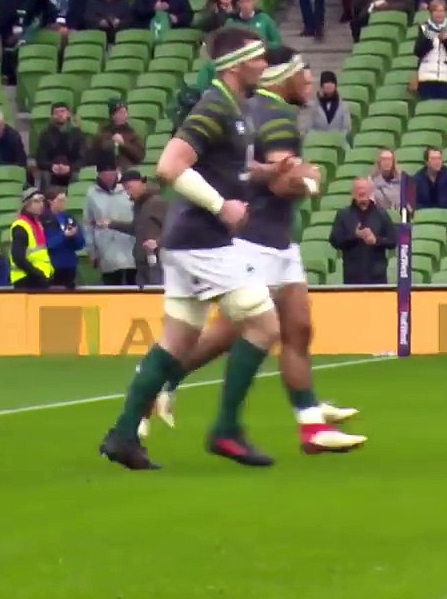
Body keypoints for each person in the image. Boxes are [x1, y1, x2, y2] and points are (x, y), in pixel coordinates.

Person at [145, 47, 365, 454]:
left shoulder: (257, 109)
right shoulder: (278, 115)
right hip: (257, 241)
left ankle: (311, 422)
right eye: (305, 73)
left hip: (277, 240)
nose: (310, 81)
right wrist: (311, 180)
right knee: (236, 334)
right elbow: (282, 183)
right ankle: (159, 384)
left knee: (296, 329)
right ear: (286, 76)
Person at [99, 27, 282, 471]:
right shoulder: (215, 104)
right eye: (258, 57)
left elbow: (225, 166)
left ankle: (123, 435)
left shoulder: (233, 106)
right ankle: (226, 429)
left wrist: (264, 173)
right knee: (263, 326)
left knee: (176, 342)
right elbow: (168, 165)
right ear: (237, 64)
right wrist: (223, 207)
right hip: (204, 242)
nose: (264, 64)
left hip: (190, 241)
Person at [330, 177, 396, 284]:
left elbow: (393, 241)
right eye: (358, 189)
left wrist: (376, 240)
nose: (361, 191)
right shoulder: (343, 215)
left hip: (377, 276)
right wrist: (354, 235)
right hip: (352, 276)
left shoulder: (382, 214)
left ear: (370, 192)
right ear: (353, 193)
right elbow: (335, 240)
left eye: (364, 189)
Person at [84, 158, 137, 285]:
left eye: (112, 173)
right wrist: (92, 252)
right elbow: (88, 224)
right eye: (105, 174)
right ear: (99, 174)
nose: (109, 177)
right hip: (106, 248)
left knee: (133, 286)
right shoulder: (92, 194)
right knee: (111, 287)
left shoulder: (127, 189)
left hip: (130, 246)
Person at [414, 0, 447, 101]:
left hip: (445, 78)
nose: (439, 14)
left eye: (441, 11)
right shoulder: (424, 28)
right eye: (436, 11)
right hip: (426, 77)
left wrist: (446, 41)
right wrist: (429, 39)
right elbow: (418, 51)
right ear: (431, 13)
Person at [9, 187, 54, 289]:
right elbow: (18, 258)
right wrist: (37, 274)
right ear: (26, 204)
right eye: (36, 201)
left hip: (38, 279)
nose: (41, 204)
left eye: (42, 201)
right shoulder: (21, 226)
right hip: (26, 280)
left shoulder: (37, 224)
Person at [42, 190, 85, 288]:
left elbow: (80, 243)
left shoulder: (69, 218)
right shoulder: (44, 220)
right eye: (60, 200)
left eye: (65, 200)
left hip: (69, 265)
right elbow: (46, 244)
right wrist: (64, 236)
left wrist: (74, 236)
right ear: (50, 201)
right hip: (52, 266)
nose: (64, 203)